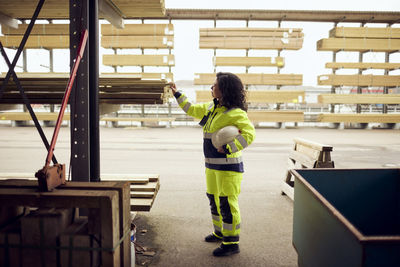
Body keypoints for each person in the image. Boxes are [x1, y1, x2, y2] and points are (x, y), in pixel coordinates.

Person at [169, 72, 256, 257]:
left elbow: (249, 135)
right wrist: (178, 94)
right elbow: (191, 109)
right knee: (214, 200)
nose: (211, 88)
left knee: (227, 203)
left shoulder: (236, 113)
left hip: (229, 167)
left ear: (224, 89)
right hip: (212, 166)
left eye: (214, 85)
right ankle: (220, 233)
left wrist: (230, 147)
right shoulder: (212, 108)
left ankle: (231, 242)